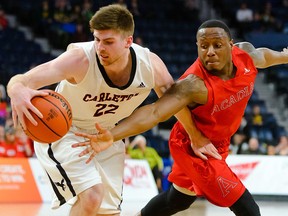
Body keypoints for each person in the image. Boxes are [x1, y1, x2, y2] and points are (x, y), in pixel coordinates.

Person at [6, 4, 217, 216]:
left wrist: (195, 136)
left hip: (108, 134)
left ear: (128, 41)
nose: (100, 47)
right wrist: (16, 89)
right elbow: (23, 80)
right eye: (97, 39)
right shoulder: (80, 59)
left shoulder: (149, 65)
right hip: (66, 131)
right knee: (92, 197)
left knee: (108, 212)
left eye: (108, 42)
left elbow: (174, 102)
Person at [73, 19, 288, 216]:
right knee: (249, 209)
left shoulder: (246, 56)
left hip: (219, 142)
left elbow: (268, 56)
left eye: (217, 45)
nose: (210, 52)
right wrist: (112, 134)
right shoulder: (193, 85)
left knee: (179, 199)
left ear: (231, 46)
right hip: (192, 145)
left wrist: (285, 56)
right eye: (203, 46)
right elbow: (154, 112)